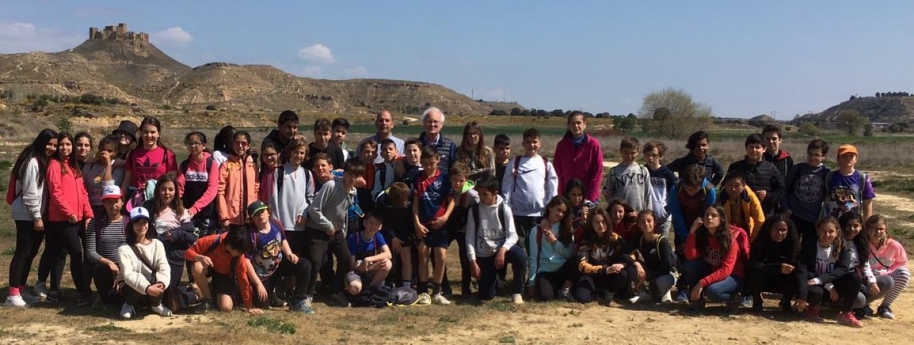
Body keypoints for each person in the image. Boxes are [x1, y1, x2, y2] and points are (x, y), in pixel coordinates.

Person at [6, 128, 58, 307]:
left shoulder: (41, 161)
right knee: (22, 253)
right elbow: (29, 193)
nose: (52, 148)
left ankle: (20, 289)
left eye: (54, 145)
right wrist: (37, 216)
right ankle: (12, 294)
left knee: (30, 253)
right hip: (26, 214)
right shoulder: (33, 162)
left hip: (34, 214)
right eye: (49, 144)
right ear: (41, 142)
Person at [41, 132, 94, 304]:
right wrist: (69, 213)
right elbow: (55, 192)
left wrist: (88, 214)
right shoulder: (55, 164)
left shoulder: (73, 165)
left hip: (77, 218)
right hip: (62, 219)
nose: (65, 148)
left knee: (59, 253)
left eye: (68, 144)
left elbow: (82, 192)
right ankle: (81, 293)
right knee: (76, 252)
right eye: (61, 145)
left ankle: (54, 291)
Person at [304, 158, 361, 305]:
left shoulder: (353, 191)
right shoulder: (331, 185)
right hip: (317, 229)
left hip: (336, 232)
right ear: (345, 173)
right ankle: (306, 295)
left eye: (356, 175)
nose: (352, 178)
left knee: (347, 260)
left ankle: (337, 291)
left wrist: (340, 230)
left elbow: (342, 214)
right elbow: (314, 209)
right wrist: (327, 226)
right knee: (315, 262)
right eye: (350, 174)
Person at [466, 173, 526, 303]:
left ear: (495, 193)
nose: (481, 197)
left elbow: (513, 235)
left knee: (520, 255)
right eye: (479, 193)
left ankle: (517, 291)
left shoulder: (504, 208)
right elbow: (470, 237)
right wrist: (472, 261)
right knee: (486, 296)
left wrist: (503, 250)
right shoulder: (474, 210)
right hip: (484, 254)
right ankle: (496, 282)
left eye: (485, 194)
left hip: (501, 251)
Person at [245, 201, 314, 313]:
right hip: (264, 275)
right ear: (252, 219)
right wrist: (258, 284)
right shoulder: (252, 235)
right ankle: (270, 296)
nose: (260, 215)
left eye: (262, 211)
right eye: (256, 214)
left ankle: (298, 301)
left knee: (305, 265)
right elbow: (246, 261)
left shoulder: (276, 224)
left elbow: (282, 239)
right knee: (262, 305)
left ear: (268, 212)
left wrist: (289, 254)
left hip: (279, 264)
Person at [668, 164, 717, 302]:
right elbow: (676, 214)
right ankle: (682, 289)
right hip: (681, 229)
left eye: (695, 189)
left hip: (702, 230)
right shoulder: (676, 189)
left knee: (700, 258)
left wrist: (695, 237)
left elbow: (708, 215)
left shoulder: (710, 190)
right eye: (688, 189)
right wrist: (686, 238)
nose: (691, 192)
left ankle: (699, 288)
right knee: (683, 257)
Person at [681, 205, 745, 312]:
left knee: (712, 291)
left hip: (733, 276)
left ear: (721, 219)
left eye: (714, 216)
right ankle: (697, 301)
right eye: (707, 215)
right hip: (713, 270)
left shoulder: (730, 238)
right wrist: (692, 231)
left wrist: (702, 283)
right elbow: (690, 256)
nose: (709, 218)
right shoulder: (702, 234)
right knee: (690, 265)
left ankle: (735, 298)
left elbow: (726, 270)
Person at [502, 128, 558, 249]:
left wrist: (549, 210)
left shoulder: (546, 164)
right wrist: (506, 209)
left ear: (539, 143)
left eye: (534, 142)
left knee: (537, 247)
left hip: (539, 215)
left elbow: (552, 189)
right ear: (523, 144)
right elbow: (506, 188)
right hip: (518, 214)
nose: (531, 145)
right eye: (528, 142)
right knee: (520, 248)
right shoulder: (515, 163)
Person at [802, 217, 863, 327]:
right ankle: (812, 309)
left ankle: (846, 313)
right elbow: (804, 268)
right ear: (817, 230)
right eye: (823, 231)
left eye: (831, 231)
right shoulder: (809, 245)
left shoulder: (843, 246)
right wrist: (826, 284)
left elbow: (843, 269)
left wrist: (825, 281)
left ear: (837, 232)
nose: (827, 235)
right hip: (816, 283)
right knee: (815, 291)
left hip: (833, 284)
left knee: (854, 278)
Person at [413, 146, 455, 304]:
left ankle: (437, 291)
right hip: (423, 225)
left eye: (431, 163)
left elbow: (452, 201)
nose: (429, 167)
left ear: (438, 160)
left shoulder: (444, 179)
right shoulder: (418, 178)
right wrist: (416, 223)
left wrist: (444, 218)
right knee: (422, 255)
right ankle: (423, 291)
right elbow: (415, 203)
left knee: (441, 256)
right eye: (425, 163)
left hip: (440, 224)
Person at [574, 207, 640, 305]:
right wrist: (603, 270)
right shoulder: (587, 241)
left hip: (611, 275)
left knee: (625, 273)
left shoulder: (615, 238)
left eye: (603, 222)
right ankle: (600, 293)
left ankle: (612, 291)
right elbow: (581, 265)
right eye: (597, 222)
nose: (601, 225)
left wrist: (623, 264)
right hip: (592, 275)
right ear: (591, 224)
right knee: (582, 298)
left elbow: (633, 253)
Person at [186, 228, 259, 314]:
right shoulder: (212, 240)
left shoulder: (239, 257)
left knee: (226, 307)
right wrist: (200, 258)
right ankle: (207, 300)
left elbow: (243, 279)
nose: (241, 253)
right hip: (208, 267)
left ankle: (208, 289)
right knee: (197, 267)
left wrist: (248, 306)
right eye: (239, 251)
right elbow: (187, 253)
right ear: (230, 245)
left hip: (223, 275)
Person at [145, 174, 198, 292]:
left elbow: (192, 236)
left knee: (167, 291)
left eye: (171, 189)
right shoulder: (149, 208)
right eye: (163, 189)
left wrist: (175, 234)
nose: (167, 193)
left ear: (176, 191)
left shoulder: (181, 211)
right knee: (152, 290)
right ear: (158, 190)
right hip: (151, 258)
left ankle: (193, 296)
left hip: (173, 258)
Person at [118, 207, 172, 319]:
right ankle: (129, 304)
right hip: (132, 287)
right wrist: (147, 288)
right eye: (137, 223)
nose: (141, 226)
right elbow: (128, 274)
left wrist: (162, 282)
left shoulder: (157, 244)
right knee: (132, 280)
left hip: (152, 283)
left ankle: (156, 304)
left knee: (159, 277)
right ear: (131, 225)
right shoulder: (124, 248)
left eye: (144, 222)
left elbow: (164, 266)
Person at [747, 215, 806, 314]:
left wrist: (802, 295)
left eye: (783, 230)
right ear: (769, 228)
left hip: (783, 281)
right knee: (754, 273)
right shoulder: (759, 243)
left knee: (794, 275)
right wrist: (778, 268)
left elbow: (801, 270)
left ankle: (785, 302)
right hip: (764, 279)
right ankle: (757, 301)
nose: (779, 233)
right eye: (776, 229)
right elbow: (753, 267)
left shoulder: (794, 246)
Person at [269, 139, 315, 260]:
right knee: (279, 260)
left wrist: (304, 215)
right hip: (281, 226)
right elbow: (273, 198)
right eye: (296, 152)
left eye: (302, 153)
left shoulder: (307, 173)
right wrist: (276, 222)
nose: (298, 155)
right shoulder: (279, 172)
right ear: (290, 152)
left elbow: (310, 198)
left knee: (295, 259)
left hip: (299, 226)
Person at [527, 196, 576, 301]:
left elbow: (570, 254)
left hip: (562, 268)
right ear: (550, 207)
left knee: (576, 260)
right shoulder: (536, 230)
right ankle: (554, 289)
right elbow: (533, 258)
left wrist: (554, 241)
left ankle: (564, 290)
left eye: (563, 212)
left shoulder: (567, 229)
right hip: (545, 270)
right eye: (558, 210)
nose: (560, 214)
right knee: (546, 297)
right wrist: (531, 284)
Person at [839, 212, 887, 320]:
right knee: (860, 300)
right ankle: (840, 307)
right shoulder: (837, 242)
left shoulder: (860, 242)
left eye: (855, 226)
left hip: (857, 280)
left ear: (861, 226)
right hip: (841, 280)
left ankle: (856, 307)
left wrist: (871, 281)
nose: (851, 229)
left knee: (887, 282)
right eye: (848, 226)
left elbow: (865, 265)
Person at [86, 186, 128, 306]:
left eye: (116, 201)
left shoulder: (128, 222)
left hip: (125, 266)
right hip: (104, 267)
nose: (113, 205)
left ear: (122, 202)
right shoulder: (95, 223)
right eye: (108, 202)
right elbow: (90, 252)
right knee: (101, 271)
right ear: (103, 203)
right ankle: (102, 294)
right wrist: (109, 263)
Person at [726, 134, 785, 216]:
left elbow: (781, 189)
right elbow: (725, 187)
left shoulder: (771, 168)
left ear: (764, 149)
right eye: (751, 147)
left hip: (765, 213)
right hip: (740, 213)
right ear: (746, 149)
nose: (754, 150)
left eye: (757, 147)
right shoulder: (736, 167)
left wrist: (767, 195)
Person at [783, 139, 830, 243]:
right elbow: (784, 190)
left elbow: (827, 196)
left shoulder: (826, 173)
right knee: (792, 246)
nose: (813, 158)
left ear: (824, 156)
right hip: (795, 216)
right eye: (810, 154)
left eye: (817, 155)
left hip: (814, 219)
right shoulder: (797, 169)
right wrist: (786, 208)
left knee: (809, 249)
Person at [120, 116, 178, 200]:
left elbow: (172, 182)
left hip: (159, 200)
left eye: (153, 132)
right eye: (145, 132)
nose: (149, 135)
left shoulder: (168, 155)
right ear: (141, 133)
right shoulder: (133, 154)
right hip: (136, 200)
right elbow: (126, 181)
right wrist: (121, 199)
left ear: (159, 133)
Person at [444, 163, 479, 297]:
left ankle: (466, 288)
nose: (457, 183)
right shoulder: (446, 192)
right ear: (450, 179)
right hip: (448, 228)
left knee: (465, 258)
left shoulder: (472, 195)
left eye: (461, 180)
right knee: (438, 254)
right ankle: (444, 286)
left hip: (465, 229)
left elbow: (478, 215)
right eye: (455, 180)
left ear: (466, 180)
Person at [866, 214, 909, 319]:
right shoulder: (862, 244)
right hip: (864, 277)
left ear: (886, 230)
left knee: (904, 273)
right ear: (867, 229)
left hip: (883, 276)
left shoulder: (893, 245)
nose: (878, 232)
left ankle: (885, 306)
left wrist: (885, 271)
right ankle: (863, 304)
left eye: (881, 229)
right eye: (874, 229)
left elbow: (901, 262)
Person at [553, 111, 603, 203]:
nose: (576, 126)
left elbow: (597, 172)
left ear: (584, 125)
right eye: (572, 123)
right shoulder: (561, 145)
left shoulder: (593, 145)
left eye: (578, 123)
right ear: (568, 125)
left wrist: (590, 198)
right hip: (567, 197)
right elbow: (557, 172)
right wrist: (561, 195)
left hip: (588, 196)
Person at [177, 131, 220, 236]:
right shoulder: (184, 165)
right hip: (188, 213)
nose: (193, 146)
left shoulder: (211, 164)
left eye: (196, 143)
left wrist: (195, 208)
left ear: (204, 145)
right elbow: (179, 187)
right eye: (190, 143)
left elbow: (212, 190)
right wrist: (179, 206)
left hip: (206, 215)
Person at [217, 131, 259, 231]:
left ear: (248, 145)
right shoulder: (226, 165)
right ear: (232, 144)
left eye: (243, 143)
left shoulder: (253, 166)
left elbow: (256, 191)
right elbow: (220, 192)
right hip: (232, 219)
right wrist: (224, 216)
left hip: (251, 218)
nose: (240, 146)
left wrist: (256, 213)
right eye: (237, 143)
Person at [345, 211, 393, 297]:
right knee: (354, 287)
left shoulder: (378, 236)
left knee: (387, 263)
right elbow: (351, 265)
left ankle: (371, 290)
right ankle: (358, 292)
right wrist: (363, 266)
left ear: (380, 227)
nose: (373, 226)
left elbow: (388, 254)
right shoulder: (354, 238)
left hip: (370, 271)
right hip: (356, 272)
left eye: (376, 224)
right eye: (371, 223)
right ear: (365, 223)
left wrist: (368, 260)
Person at [634, 210, 676, 304]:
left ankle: (666, 293)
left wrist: (651, 279)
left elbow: (666, 265)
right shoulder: (640, 240)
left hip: (667, 273)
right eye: (642, 221)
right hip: (652, 272)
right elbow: (628, 252)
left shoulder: (662, 241)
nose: (646, 224)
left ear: (655, 222)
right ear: (638, 224)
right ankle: (644, 292)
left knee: (662, 281)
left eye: (649, 221)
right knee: (633, 267)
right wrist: (637, 264)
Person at [822, 144, 875, 221]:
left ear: (856, 159)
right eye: (844, 156)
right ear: (838, 159)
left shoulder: (863, 178)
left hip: (852, 225)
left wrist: (866, 223)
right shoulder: (829, 176)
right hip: (832, 223)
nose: (848, 158)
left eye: (851, 156)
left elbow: (867, 203)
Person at [378, 182, 415, 288]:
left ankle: (407, 286)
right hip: (388, 231)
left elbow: (411, 217)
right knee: (388, 257)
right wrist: (393, 237)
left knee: (406, 254)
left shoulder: (411, 194)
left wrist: (408, 235)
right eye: (403, 201)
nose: (406, 203)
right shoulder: (383, 200)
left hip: (405, 229)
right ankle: (385, 284)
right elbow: (383, 222)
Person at [603, 136, 653, 214]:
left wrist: (648, 213)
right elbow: (609, 195)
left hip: (639, 215)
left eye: (633, 153)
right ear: (621, 151)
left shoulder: (643, 170)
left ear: (638, 152)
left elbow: (648, 194)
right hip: (620, 215)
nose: (629, 156)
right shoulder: (613, 171)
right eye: (626, 152)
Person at [82, 135, 125, 222]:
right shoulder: (89, 166)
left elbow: (109, 187)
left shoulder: (117, 167)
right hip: (90, 206)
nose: (106, 153)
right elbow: (83, 186)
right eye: (103, 150)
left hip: (107, 207)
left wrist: (108, 165)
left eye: (110, 151)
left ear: (115, 153)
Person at [643, 140, 677, 238]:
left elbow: (674, 194)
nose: (650, 158)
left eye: (654, 155)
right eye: (648, 155)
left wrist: (667, 210)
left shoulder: (667, 174)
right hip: (646, 218)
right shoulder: (642, 171)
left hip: (663, 218)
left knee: (661, 244)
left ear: (660, 156)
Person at [719, 171, 766, 242]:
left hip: (747, 232)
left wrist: (751, 240)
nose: (733, 189)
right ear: (724, 185)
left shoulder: (749, 197)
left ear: (744, 185)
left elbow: (760, 220)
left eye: (737, 185)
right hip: (727, 234)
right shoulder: (720, 198)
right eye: (729, 185)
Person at [418, 107, 457, 172]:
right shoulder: (416, 145)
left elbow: (454, 169)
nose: (432, 124)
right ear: (423, 123)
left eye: (435, 121)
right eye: (429, 121)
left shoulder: (450, 146)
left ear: (441, 124)